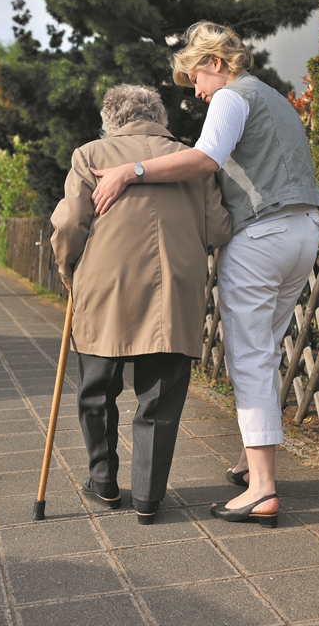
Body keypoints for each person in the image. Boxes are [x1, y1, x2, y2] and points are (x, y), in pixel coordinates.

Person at [89, 22, 319, 527]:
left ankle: (262, 489)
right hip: (306, 231)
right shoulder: (275, 100)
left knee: (249, 358)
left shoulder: (231, 96)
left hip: (261, 235)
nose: (195, 91)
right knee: (267, 347)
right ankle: (251, 459)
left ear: (216, 63)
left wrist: (129, 171)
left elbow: (202, 160)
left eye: (195, 76)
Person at [50, 84, 231, 524]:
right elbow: (219, 230)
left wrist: (66, 270)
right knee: (159, 400)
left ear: (111, 120)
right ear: (160, 117)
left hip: (105, 288)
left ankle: (104, 482)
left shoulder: (90, 155)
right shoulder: (193, 160)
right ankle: (149, 498)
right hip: (175, 287)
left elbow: (71, 222)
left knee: (96, 390)